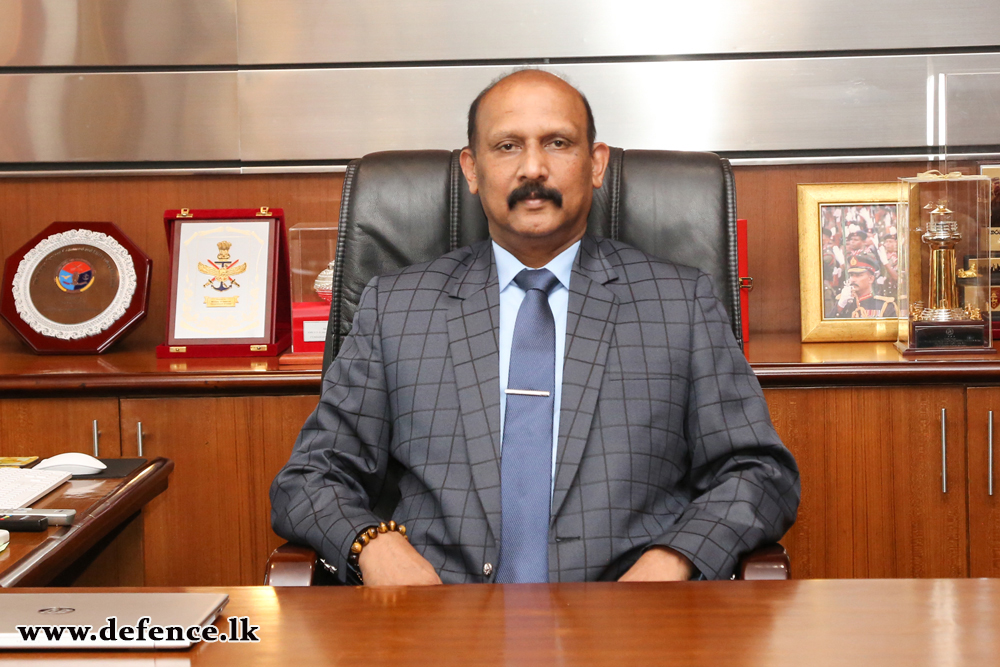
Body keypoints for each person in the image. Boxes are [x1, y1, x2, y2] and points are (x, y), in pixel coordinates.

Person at [270, 69, 799, 586]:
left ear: (596, 163)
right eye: (506, 146)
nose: (533, 168)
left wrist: (675, 558)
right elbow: (310, 479)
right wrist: (372, 544)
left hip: (625, 624)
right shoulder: (398, 308)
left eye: (558, 143)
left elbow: (758, 472)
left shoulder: (678, 304)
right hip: (436, 624)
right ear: (471, 169)